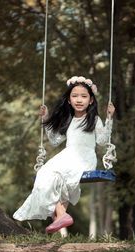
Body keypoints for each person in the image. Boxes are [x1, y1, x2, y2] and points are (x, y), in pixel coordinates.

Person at [13, 76, 115, 234]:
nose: (79, 100)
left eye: (83, 96)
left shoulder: (94, 120)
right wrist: (46, 117)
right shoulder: (69, 120)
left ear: (91, 100)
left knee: (59, 175)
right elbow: (54, 141)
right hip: (67, 156)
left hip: (84, 158)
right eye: (74, 96)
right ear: (68, 100)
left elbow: (102, 141)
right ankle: (61, 214)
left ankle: (60, 214)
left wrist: (109, 118)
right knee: (44, 172)